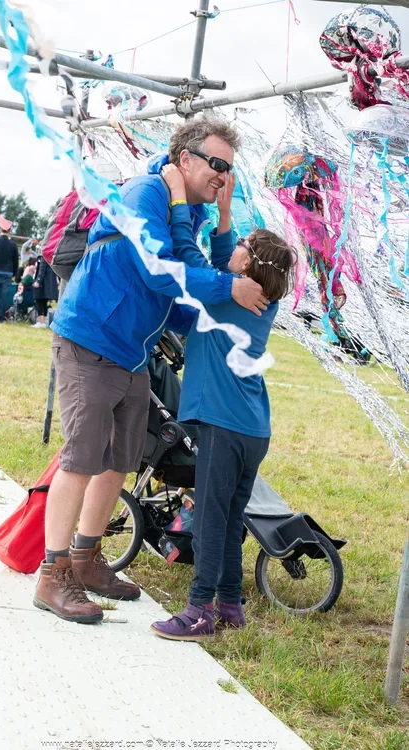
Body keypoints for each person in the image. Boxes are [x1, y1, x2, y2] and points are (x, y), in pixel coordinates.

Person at [34, 115, 269, 625]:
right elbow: (160, 269)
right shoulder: (145, 192)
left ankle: (86, 557)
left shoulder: (188, 214)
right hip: (91, 340)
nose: (224, 177)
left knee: (120, 459)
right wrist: (226, 290)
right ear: (184, 159)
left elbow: (179, 297)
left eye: (230, 168)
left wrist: (216, 317)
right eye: (217, 164)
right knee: (81, 458)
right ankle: (52, 577)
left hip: (133, 355)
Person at [151, 181, 296, 641]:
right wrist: (227, 216)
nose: (233, 247)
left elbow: (190, 261)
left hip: (225, 426)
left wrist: (177, 202)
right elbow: (217, 267)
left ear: (249, 265)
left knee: (211, 518)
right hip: (252, 428)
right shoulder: (257, 300)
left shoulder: (227, 297)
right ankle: (231, 605)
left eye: (242, 246)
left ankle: (199, 611)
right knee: (231, 518)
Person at [32, 256, 58, 328]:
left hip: (42, 284)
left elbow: (42, 270)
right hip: (49, 284)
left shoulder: (43, 258)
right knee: (44, 303)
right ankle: (44, 322)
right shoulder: (50, 257)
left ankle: (41, 321)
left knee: (39, 301)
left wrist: (38, 281)